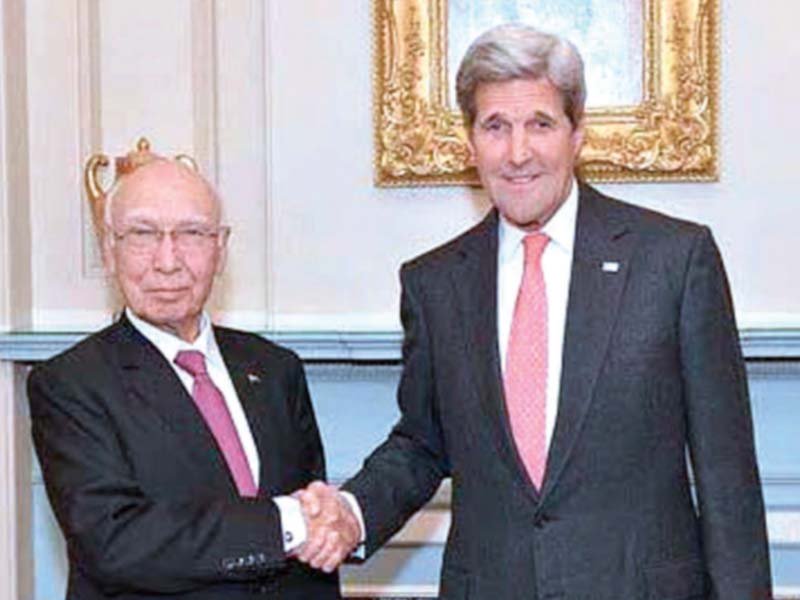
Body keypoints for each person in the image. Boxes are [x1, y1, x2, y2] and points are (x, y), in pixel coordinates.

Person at [295, 23, 773, 599]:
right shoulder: (434, 283)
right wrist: (351, 510)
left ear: (577, 135)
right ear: (470, 142)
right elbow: (422, 443)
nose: (518, 153)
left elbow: (728, 478)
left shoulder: (673, 261)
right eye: (495, 126)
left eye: (540, 125)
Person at [27, 157, 340, 599]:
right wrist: (285, 523)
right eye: (142, 235)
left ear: (221, 249)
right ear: (107, 250)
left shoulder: (274, 368)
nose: (168, 261)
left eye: (192, 234)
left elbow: (316, 545)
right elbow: (116, 542)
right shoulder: (70, 383)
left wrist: (324, 522)